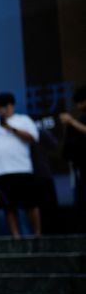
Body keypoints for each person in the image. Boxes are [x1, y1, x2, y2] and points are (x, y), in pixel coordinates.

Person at [0, 92, 41, 238]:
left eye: (5, 107)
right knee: (8, 206)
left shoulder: (23, 120)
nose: (2, 110)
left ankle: (38, 233)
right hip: (1, 172)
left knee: (31, 203)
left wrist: (11, 128)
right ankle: (15, 236)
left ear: (12, 106)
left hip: (23, 169)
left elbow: (32, 138)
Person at [62, 86, 86, 228]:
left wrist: (71, 122)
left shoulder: (76, 121)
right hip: (80, 166)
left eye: (81, 102)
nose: (79, 106)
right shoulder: (80, 118)